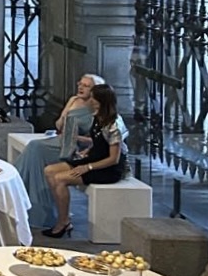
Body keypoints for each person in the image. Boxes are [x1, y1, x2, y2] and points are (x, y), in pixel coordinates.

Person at [43, 84, 128, 238]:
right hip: (94, 159)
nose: (90, 100)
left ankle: (63, 222)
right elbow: (99, 141)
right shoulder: (97, 116)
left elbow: (113, 159)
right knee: (49, 171)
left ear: (101, 101)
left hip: (106, 169)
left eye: (93, 98)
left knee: (60, 179)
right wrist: (88, 151)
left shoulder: (114, 125)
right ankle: (64, 216)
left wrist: (87, 167)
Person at [20, 73, 104, 222]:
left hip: (77, 148)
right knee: (34, 148)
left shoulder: (97, 107)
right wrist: (66, 114)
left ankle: (32, 204)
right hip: (62, 140)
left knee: (35, 148)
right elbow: (59, 125)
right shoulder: (73, 100)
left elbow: (98, 140)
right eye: (80, 84)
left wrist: (77, 138)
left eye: (86, 86)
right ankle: (25, 199)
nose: (81, 88)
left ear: (95, 90)